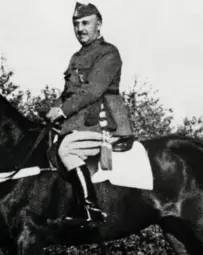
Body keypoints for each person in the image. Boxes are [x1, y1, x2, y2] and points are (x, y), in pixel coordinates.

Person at [46, 1, 133, 225]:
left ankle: (90, 209)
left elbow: (93, 91)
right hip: (78, 123)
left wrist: (62, 111)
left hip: (103, 122)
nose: (80, 29)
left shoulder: (109, 53)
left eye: (86, 23)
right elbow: (68, 93)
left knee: (67, 151)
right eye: (76, 24)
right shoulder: (76, 57)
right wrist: (53, 110)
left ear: (99, 25)